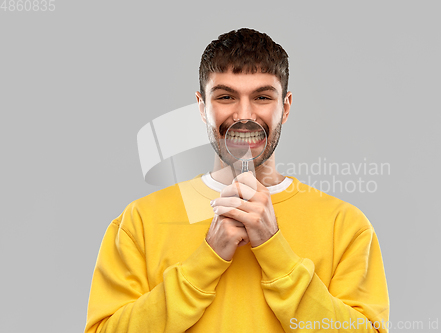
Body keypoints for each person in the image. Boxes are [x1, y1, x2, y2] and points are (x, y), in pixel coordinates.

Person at [85, 28, 389, 333]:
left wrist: (274, 249)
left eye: (262, 97)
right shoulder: (140, 222)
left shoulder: (346, 226)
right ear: (202, 107)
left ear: (285, 106)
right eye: (226, 96)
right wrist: (206, 260)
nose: (245, 116)